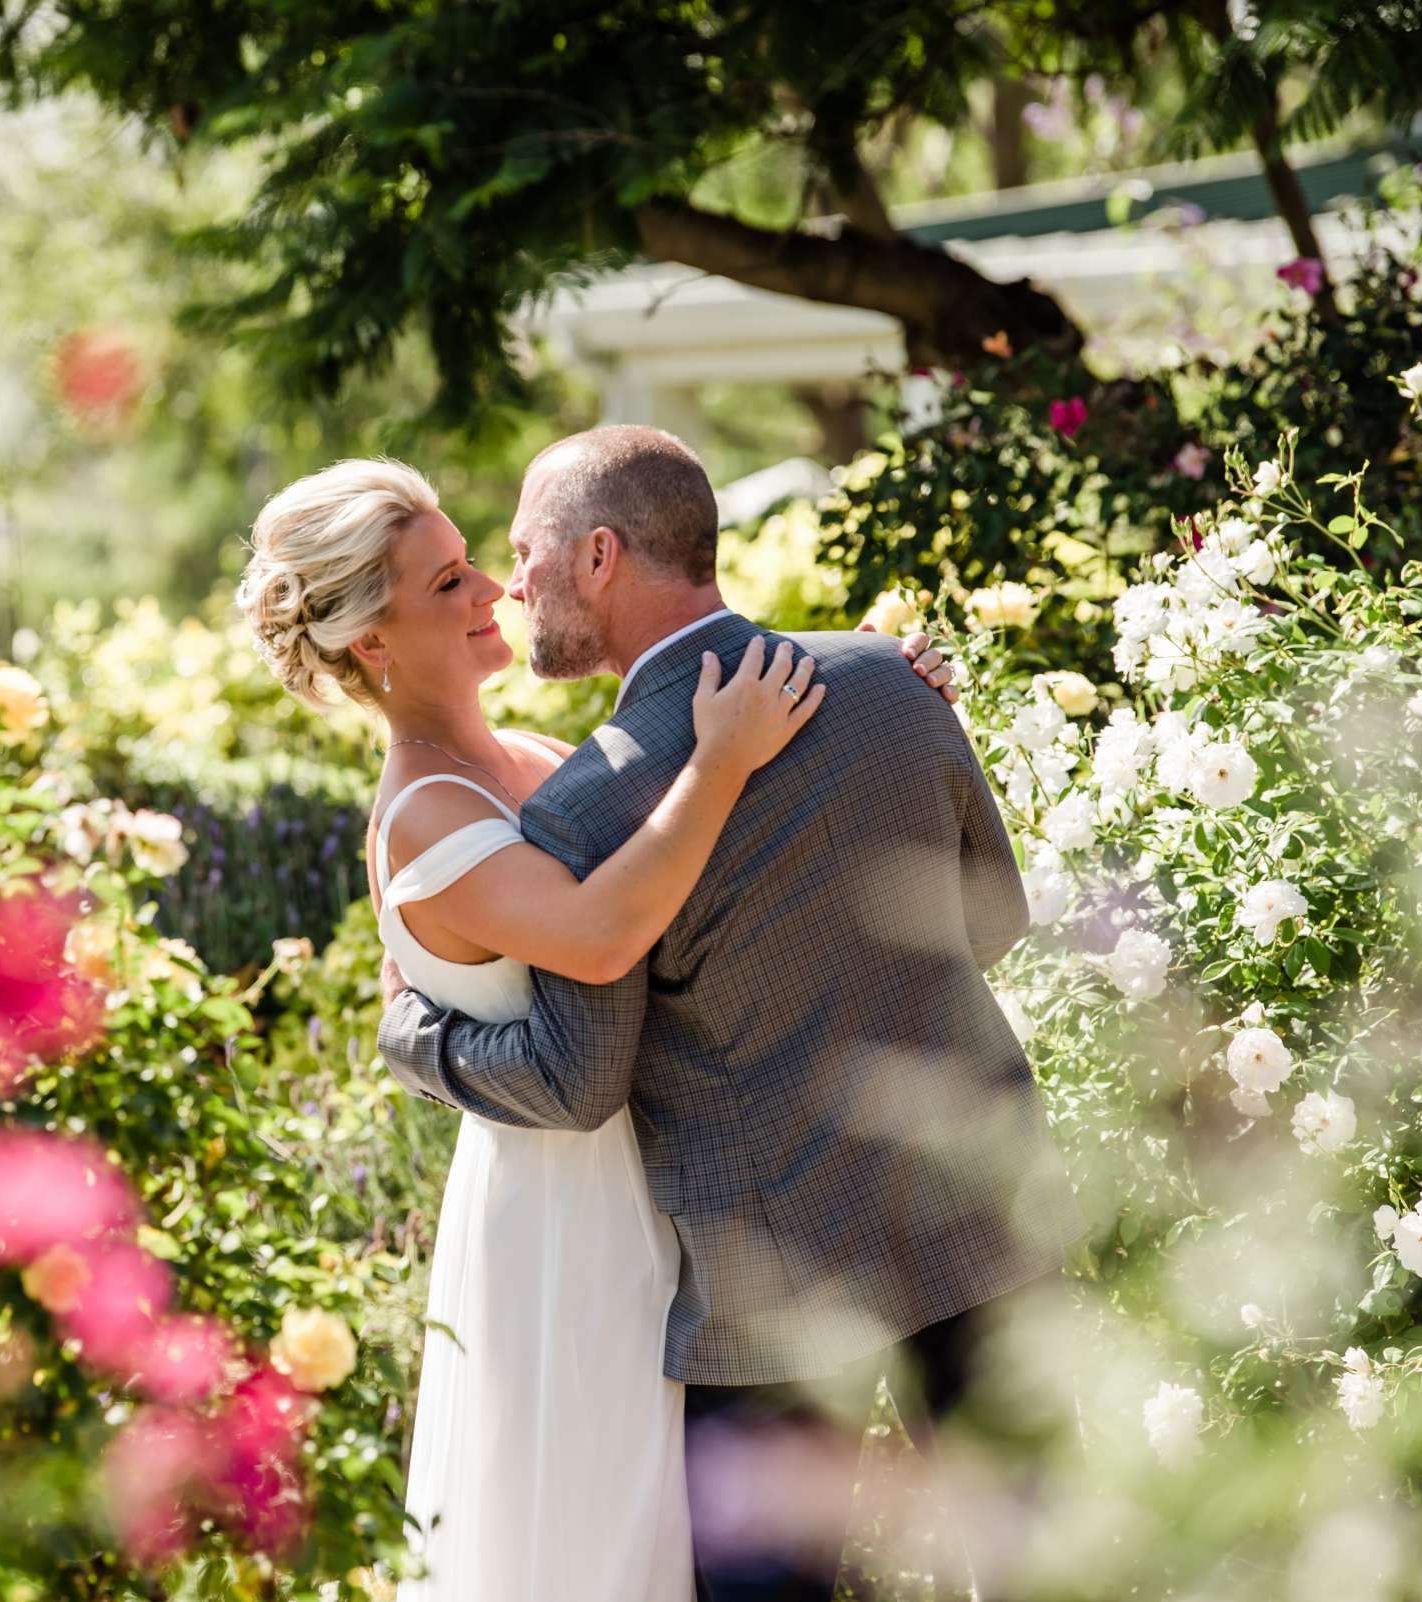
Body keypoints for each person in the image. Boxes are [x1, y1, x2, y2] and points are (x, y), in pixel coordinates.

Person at [234, 454, 960, 1602]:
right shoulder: (424, 813)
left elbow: (719, 881)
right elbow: (604, 933)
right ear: (370, 640)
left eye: (476, 563)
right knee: (601, 1537)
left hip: (682, 1188)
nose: (494, 594)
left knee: (684, 1542)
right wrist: (724, 759)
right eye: (447, 586)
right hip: (572, 1226)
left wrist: (872, 694)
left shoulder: (539, 764)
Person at [376, 425, 1080, 1602]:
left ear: (599, 557)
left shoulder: (588, 815)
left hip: (773, 1272)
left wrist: (418, 1037)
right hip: (977, 1206)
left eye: (524, 553)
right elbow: (993, 918)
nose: (513, 585)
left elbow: (575, 1079)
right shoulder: (887, 684)